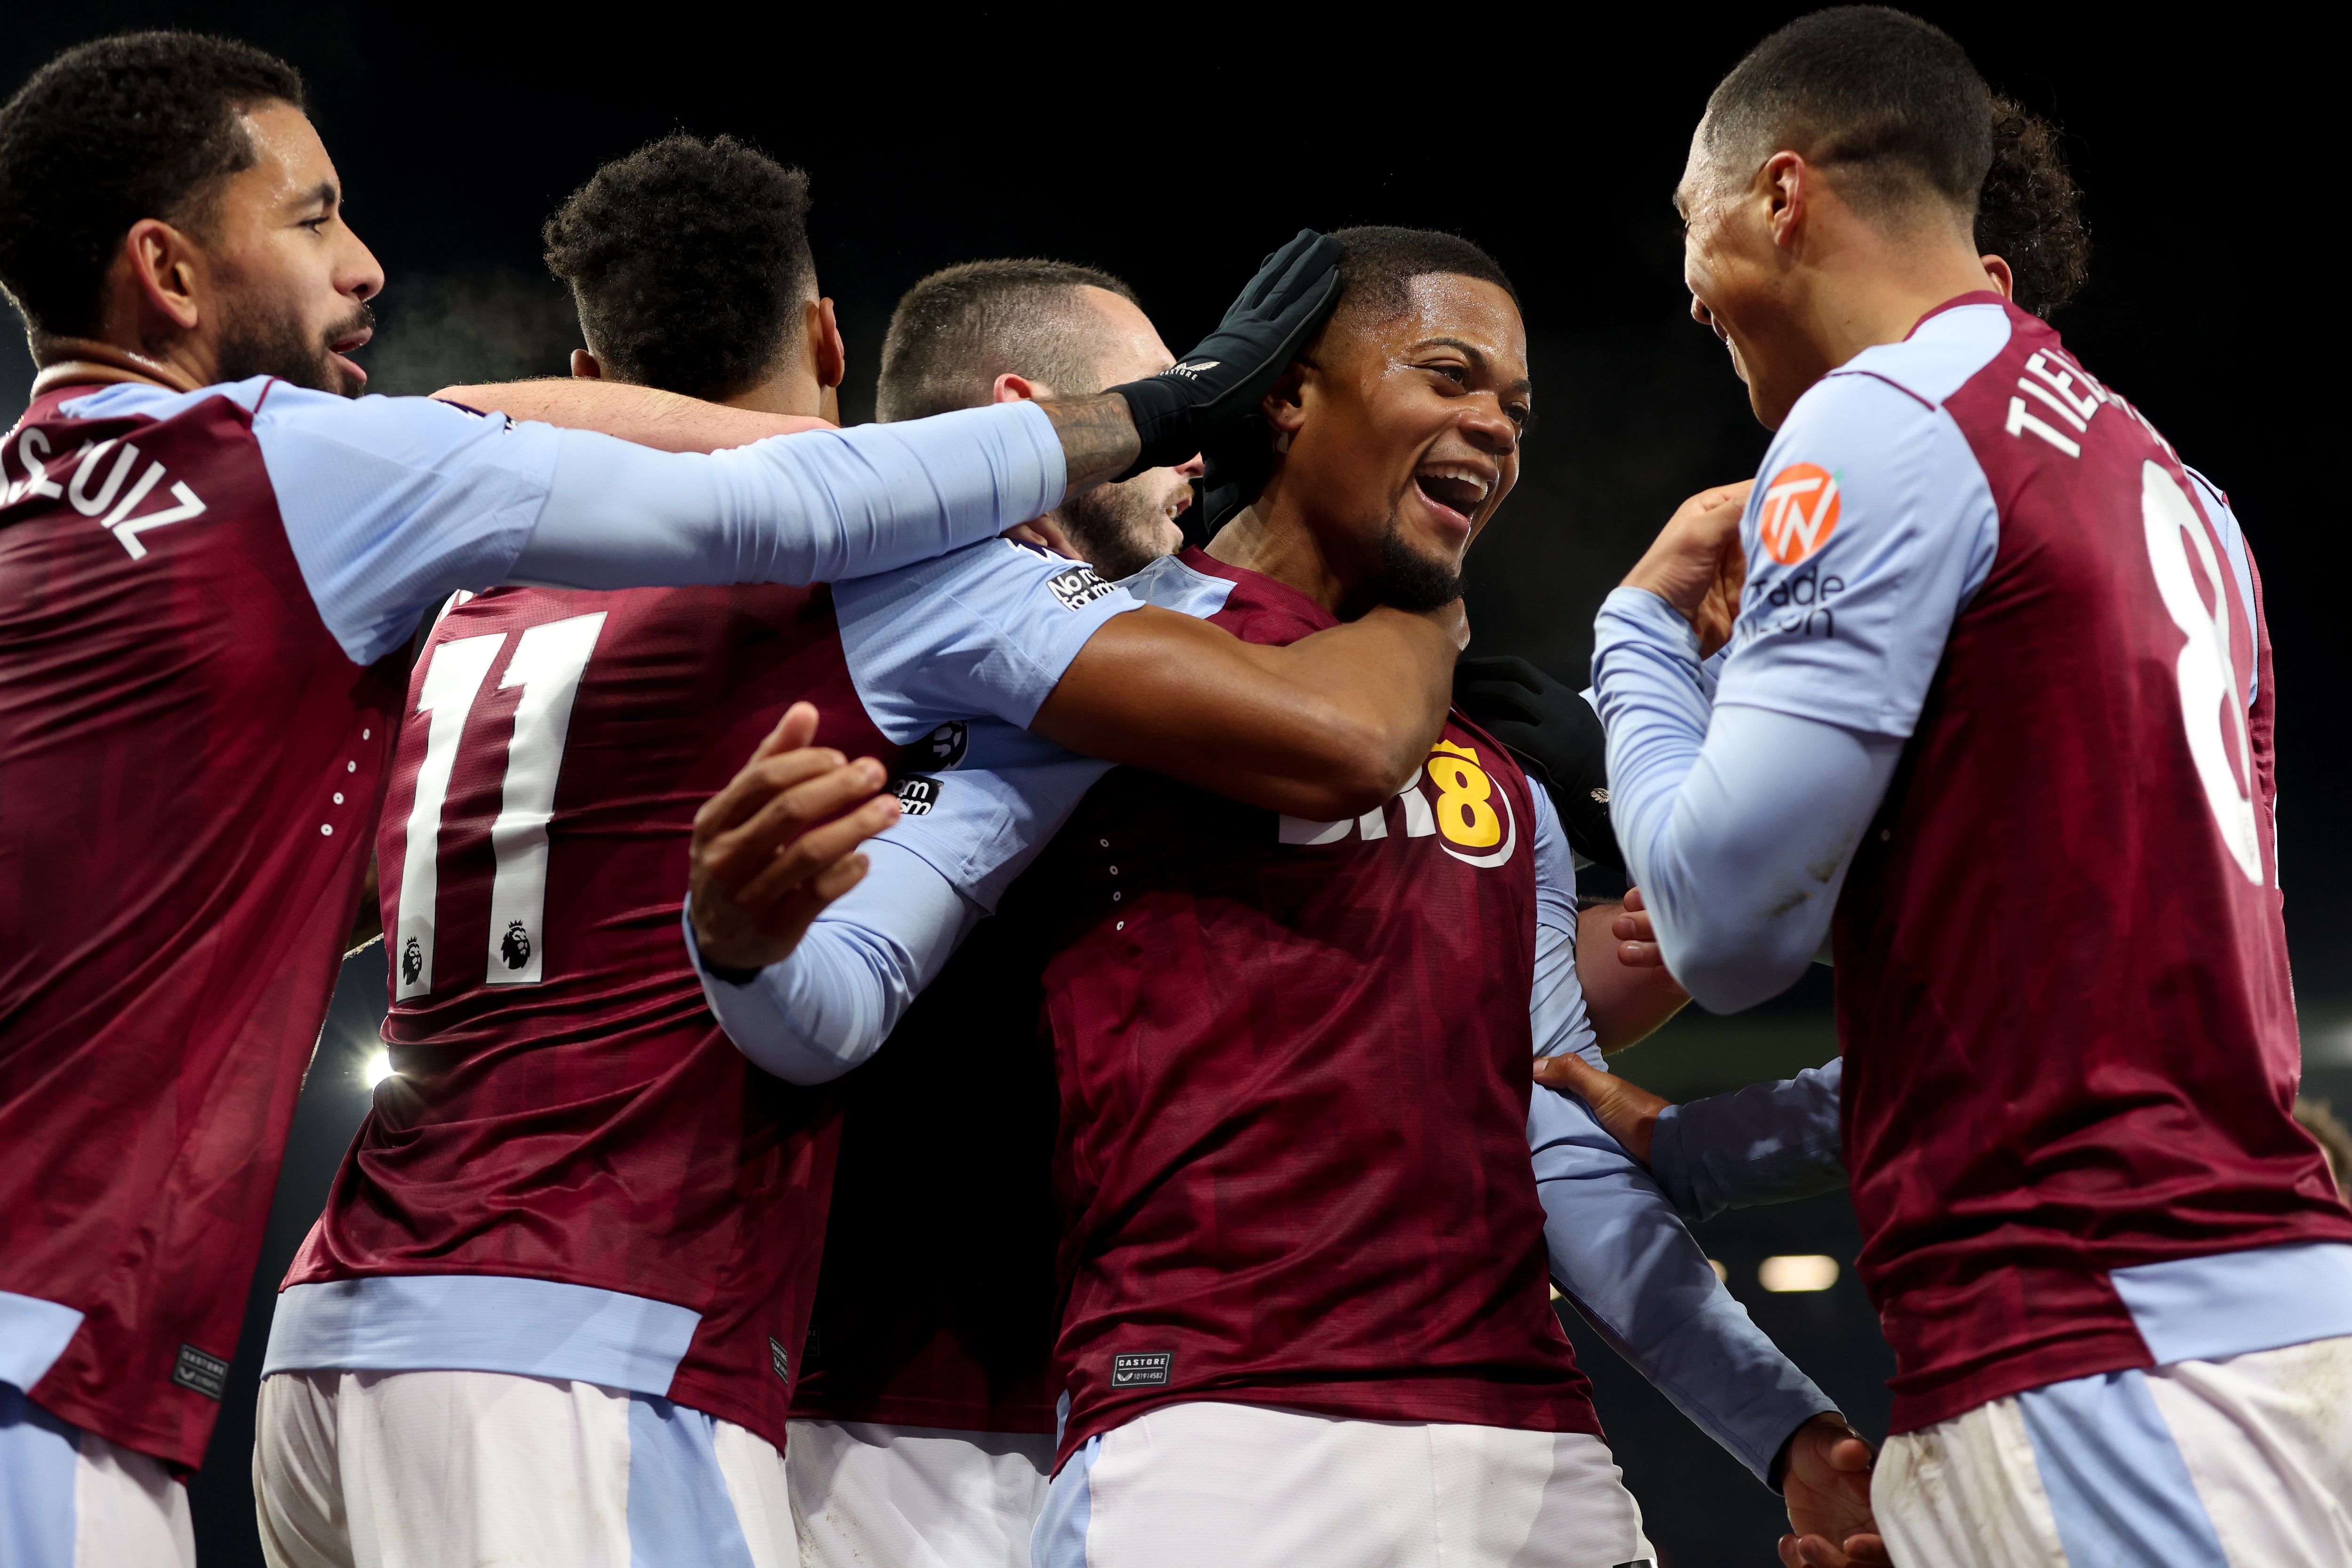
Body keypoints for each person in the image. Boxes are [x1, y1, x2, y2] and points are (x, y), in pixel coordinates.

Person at [0, 35, 1382, 1566]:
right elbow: (1326, 742)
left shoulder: (429, 585)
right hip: (570, 1338)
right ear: (831, 340)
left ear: (588, 382)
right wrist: (1266, 483)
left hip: (334, 1334)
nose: (363, 263)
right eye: (316, 217)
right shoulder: (322, 484)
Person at [695, 227, 1882, 1568]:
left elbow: (1556, 1149)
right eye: (1447, 375)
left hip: (1539, 1454)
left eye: (1517, 406)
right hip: (1212, 1442)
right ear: (1286, 396)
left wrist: (1788, 1432)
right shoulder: (1091, 668)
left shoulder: (1500, 771)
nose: (1492, 425)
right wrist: (741, 943)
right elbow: (829, 1003)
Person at [1593, 9, 2352, 1565]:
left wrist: (1639, 642)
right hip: (2250, 1313)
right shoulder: (2173, 482)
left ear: (1780, 196)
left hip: (2091, 1328)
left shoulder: (1875, 426)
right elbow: (2057, 962)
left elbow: (1723, 929)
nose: (1685, 284)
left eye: (1692, 221)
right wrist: (1703, 1149)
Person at [783, 258, 1199, 1568]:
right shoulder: (864, 622)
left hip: (1108, 1406)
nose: (1195, 450)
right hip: (881, 1420)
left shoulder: (1136, 648)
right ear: (1034, 419)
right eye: (1163, 410)